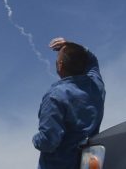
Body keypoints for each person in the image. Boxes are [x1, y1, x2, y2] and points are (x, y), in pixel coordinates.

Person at [33, 37, 106, 169]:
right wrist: (71, 45)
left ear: (60, 65)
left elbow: (48, 142)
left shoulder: (55, 96)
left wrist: (35, 140)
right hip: (89, 162)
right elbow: (92, 59)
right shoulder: (96, 85)